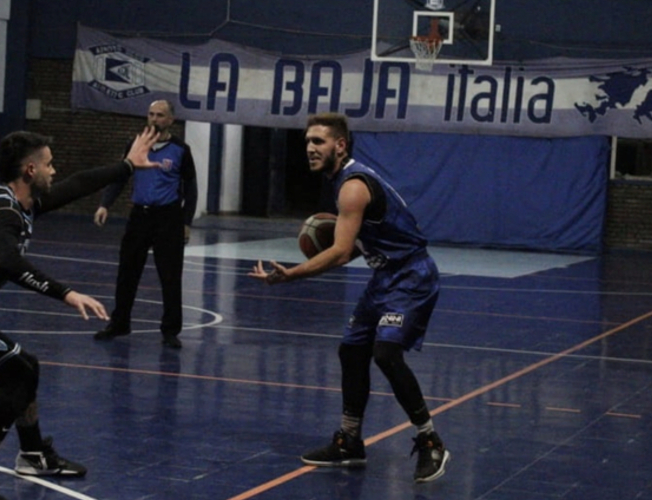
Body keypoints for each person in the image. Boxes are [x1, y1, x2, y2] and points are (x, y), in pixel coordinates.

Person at [0, 126, 161, 500]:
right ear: (29, 172)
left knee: (26, 368)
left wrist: (127, 166)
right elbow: (7, 262)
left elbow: (76, 185)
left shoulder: (22, 203)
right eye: (49, 165)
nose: (54, 171)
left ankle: (34, 454)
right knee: (15, 377)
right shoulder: (1, 212)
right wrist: (66, 293)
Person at [248, 113, 450, 483]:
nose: (310, 148)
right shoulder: (345, 182)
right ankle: (349, 441)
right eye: (307, 141)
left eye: (318, 142)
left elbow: (341, 253)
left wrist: (290, 274)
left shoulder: (353, 185)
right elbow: (360, 244)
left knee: (386, 353)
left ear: (340, 145)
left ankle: (430, 441)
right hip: (385, 275)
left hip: (411, 276)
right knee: (351, 349)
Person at [93, 99, 198, 349]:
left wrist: (186, 221)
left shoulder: (181, 149)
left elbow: (191, 188)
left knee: (170, 276)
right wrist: (104, 203)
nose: (154, 119)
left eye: (160, 115)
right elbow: (120, 176)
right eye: (150, 114)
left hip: (168, 217)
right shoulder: (136, 144)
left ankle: (170, 330)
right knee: (127, 271)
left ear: (171, 119)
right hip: (140, 216)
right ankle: (119, 323)